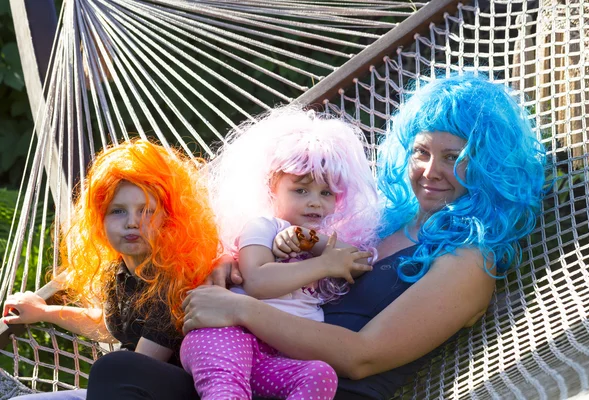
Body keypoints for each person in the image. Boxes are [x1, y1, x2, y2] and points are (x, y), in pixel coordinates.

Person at [86, 74, 547, 400]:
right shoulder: (383, 221)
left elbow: (363, 357)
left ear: (488, 164)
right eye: (421, 152)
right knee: (124, 371)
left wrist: (240, 307)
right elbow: (285, 252)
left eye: (454, 157)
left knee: (122, 374)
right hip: (252, 367)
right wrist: (233, 264)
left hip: (320, 387)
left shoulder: (468, 262)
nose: (431, 171)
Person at [179, 107, 380, 399]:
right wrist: (324, 265)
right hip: (228, 333)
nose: (315, 203)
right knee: (227, 391)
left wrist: (310, 239)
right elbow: (258, 282)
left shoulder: (319, 242)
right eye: (301, 191)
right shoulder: (264, 227)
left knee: (320, 374)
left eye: (326, 194)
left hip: (271, 359)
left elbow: (359, 262)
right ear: (273, 187)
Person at [2, 140, 220, 399]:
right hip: (128, 385)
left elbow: (135, 368)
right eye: (118, 211)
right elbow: (107, 324)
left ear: (168, 218)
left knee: (113, 366)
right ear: (99, 220)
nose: (132, 223)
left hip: (183, 390)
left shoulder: (176, 277)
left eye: (146, 211)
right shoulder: (120, 272)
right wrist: (44, 311)